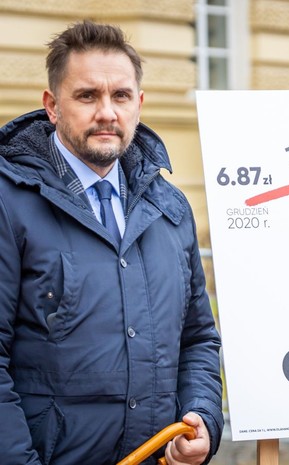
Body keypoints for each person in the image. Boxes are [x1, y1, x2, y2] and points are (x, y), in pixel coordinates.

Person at [0, 21, 223, 465]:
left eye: (120, 95)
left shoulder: (170, 208)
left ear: (138, 104)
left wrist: (203, 418)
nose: (107, 112)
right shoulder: (9, 203)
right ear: (52, 106)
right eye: (87, 96)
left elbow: (198, 339)